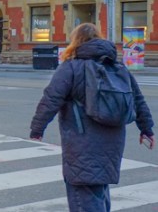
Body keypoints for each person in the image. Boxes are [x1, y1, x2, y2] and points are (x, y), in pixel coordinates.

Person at [30, 23, 154, 212]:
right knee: (99, 190)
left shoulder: (71, 67)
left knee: (84, 195)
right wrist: (146, 129)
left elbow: (51, 99)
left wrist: (37, 129)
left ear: (76, 41)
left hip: (81, 142)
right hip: (112, 141)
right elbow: (138, 100)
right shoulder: (118, 67)